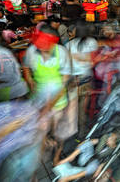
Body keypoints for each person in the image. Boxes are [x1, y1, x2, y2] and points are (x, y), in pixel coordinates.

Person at [22, 25, 74, 163]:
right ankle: (43, 149)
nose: (40, 47)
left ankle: (57, 157)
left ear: (53, 43)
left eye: (44, 45)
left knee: (58, 130)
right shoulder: (32, 51)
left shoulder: (62, 53)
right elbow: (25, 67)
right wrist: (29, 79)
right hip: (39, 99)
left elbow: (64, 82)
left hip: (58, 100)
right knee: (41, 130)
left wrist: (50, 105)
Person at [65, 20, 98, 138]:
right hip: (86, 79)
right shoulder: (93, 42)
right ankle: (82, 134)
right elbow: (94, 61)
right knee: (83, 108)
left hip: (72, 80)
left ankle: (70, 131)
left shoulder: (68, 45)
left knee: (72, 107)